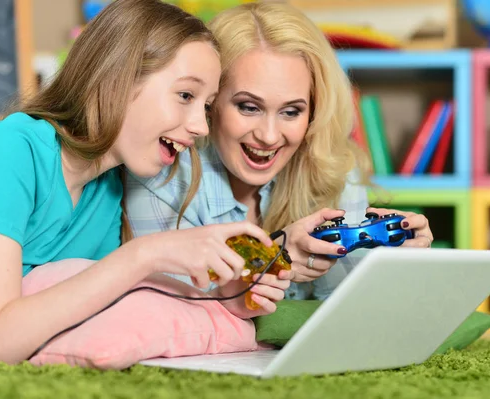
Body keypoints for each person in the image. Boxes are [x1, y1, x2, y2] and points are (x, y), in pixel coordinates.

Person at [0, 0, 291, 365]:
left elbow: (87, 308)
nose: (201, 127)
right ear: (116, 79)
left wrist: (226, 298)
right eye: (185, 95)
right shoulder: (8, 150)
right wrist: (146, 253)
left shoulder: (107, 188)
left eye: (206, 106)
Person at [125, 1, 434, 301]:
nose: (269, 136)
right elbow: (170, 306)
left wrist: (393, 271)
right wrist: (274, 259)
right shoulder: (161, 172)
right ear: (211, 102)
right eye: (248, 107)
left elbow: (348, 309)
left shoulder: (333, 169)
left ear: (313, 112)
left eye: (291, 112)